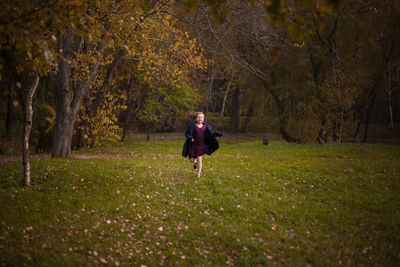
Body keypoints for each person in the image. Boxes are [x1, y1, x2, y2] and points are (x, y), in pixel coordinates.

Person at [182, 112, 222, 177]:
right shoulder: (192, 126)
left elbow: (210, 135)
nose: (200, 118)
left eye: (201, 117)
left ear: (203, 119)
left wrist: (217, 134)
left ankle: (198, 174)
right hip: (193, 146)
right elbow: (187, 133)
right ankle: (195, 163)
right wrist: (190, 138)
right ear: (196, 119)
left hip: (201, 146)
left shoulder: (205, 127)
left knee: (199, 158)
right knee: (191, 160)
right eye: (198, 117)